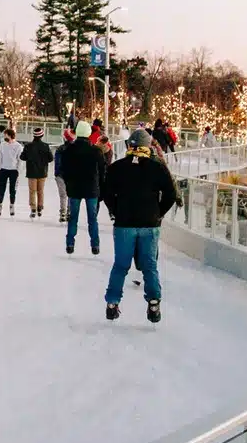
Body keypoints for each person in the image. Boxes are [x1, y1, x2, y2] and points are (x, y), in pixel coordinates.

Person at [100, 128, 179, 322]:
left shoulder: (117, 168)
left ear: (129, 145)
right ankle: (153, 303)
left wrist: (116, 210)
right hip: (149, 224)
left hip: (124, 224)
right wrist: (158, 213)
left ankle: (112, 303)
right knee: (149, 266)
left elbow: (107, 193)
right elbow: (171, 194)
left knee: (120, 265)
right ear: (148, 146)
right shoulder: (157, 167)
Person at [61, 122, 107, 255]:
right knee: (92, 218)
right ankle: (95, 245)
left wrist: (68, 182)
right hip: (91, 189)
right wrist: (100, 187)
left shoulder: (68, 150)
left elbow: (64, 169)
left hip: (74, 189)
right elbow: (102, 171)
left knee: (73, 217)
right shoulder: (96, 151)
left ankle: (70, 243)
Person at [21, 126, 54, 218]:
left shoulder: (28, 146)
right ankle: (40, 207)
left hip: (31, 172)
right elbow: (51, 158)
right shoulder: (45, 146)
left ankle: (33, 208)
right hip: (42, 172)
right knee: (40, 191)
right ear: (42, 135)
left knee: (32, 191)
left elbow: (22, 157)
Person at [0, 126, 22, 216]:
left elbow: (20, 159)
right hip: (3, 169)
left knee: (12, 189)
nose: (4, 137)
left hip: (13, 170)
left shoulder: (18, 146)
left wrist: (18, 171)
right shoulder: (2, 145)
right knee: (1, 188)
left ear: (10, 135)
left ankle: (12, 205)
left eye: (5, 135)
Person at [51, 125, 74, 222]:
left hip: (61, 175)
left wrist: (56, 173)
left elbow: (57, 162)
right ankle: (69, 212)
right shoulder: (75, 149)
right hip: (72, 175)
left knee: (63, 195)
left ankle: (63, 213)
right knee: (70, 195)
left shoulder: (60, 149)